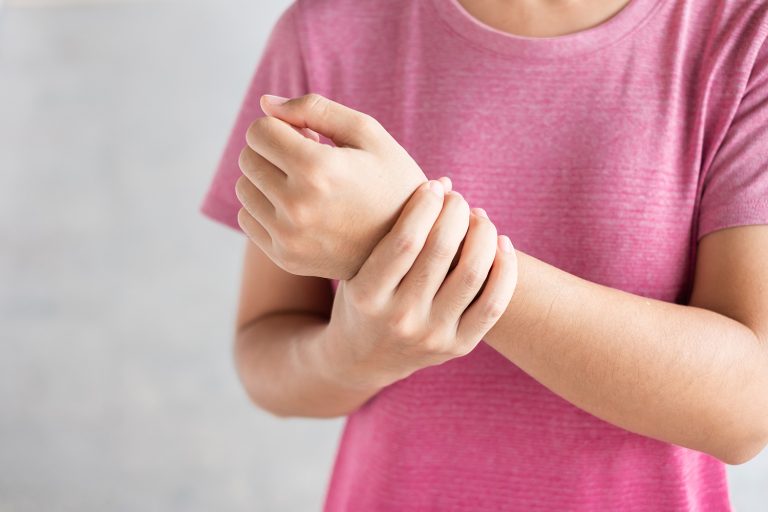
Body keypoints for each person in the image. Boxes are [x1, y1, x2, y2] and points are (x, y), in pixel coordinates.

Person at [199, 0, 768, 510]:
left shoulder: (744, 35)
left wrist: (403, 237)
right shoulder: (326, 31)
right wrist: (356, 353)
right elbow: (264, 354)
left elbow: (747, 408)